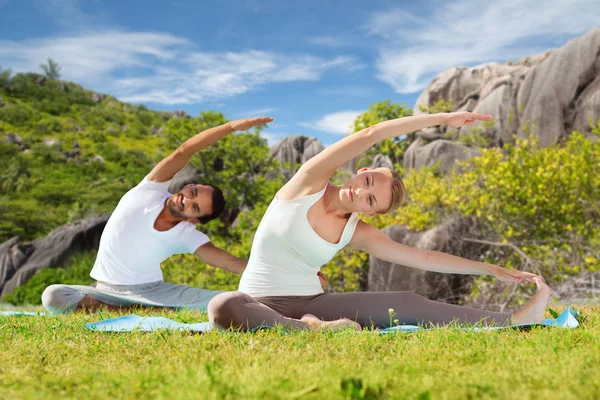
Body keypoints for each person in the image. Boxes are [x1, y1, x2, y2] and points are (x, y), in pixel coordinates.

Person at [208, 112, 551, 331]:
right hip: (256, 302)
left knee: (408, 302)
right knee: (223, 305)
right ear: (362, 171)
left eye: (371, 200)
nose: (361, 193)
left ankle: (515, 320)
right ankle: (312, 330)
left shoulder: (357, 231)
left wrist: (488, 268)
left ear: (371, 213)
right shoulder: (307, 183)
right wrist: (443, 118)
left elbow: (425, 258)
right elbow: (371, 133)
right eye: (367, 183)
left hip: (312, 302)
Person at [41, 117, 273, 314]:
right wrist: (231, 127)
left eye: (194, 207)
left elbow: (232, 263)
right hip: (103, 290)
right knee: (53, 296)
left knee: (228, 300)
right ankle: (136, 308)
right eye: (192, 193)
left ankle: (143, 307)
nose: (186, 200)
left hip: (154, 291)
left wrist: (292, 272)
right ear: (188, 185)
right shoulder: (150, 189)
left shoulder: (187, 235)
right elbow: (186, 150)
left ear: (195, 220)